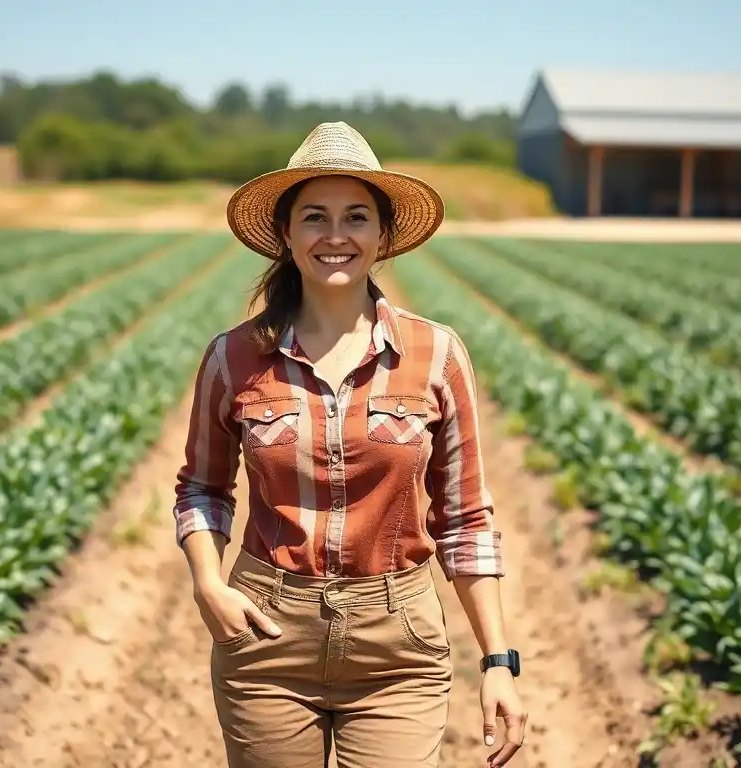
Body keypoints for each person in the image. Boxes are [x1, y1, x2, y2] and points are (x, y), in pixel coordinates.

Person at [171, 121, 526, 768]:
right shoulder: (233, 358)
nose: (335, 236)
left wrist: (498, 661)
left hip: (398, 647)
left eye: (356, 216)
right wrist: (205, 582)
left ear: (383, 235)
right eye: (314, 217)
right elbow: (201, 488)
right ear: (285, 234)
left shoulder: (437, 355)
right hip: (267, 638)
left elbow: (467, 517)